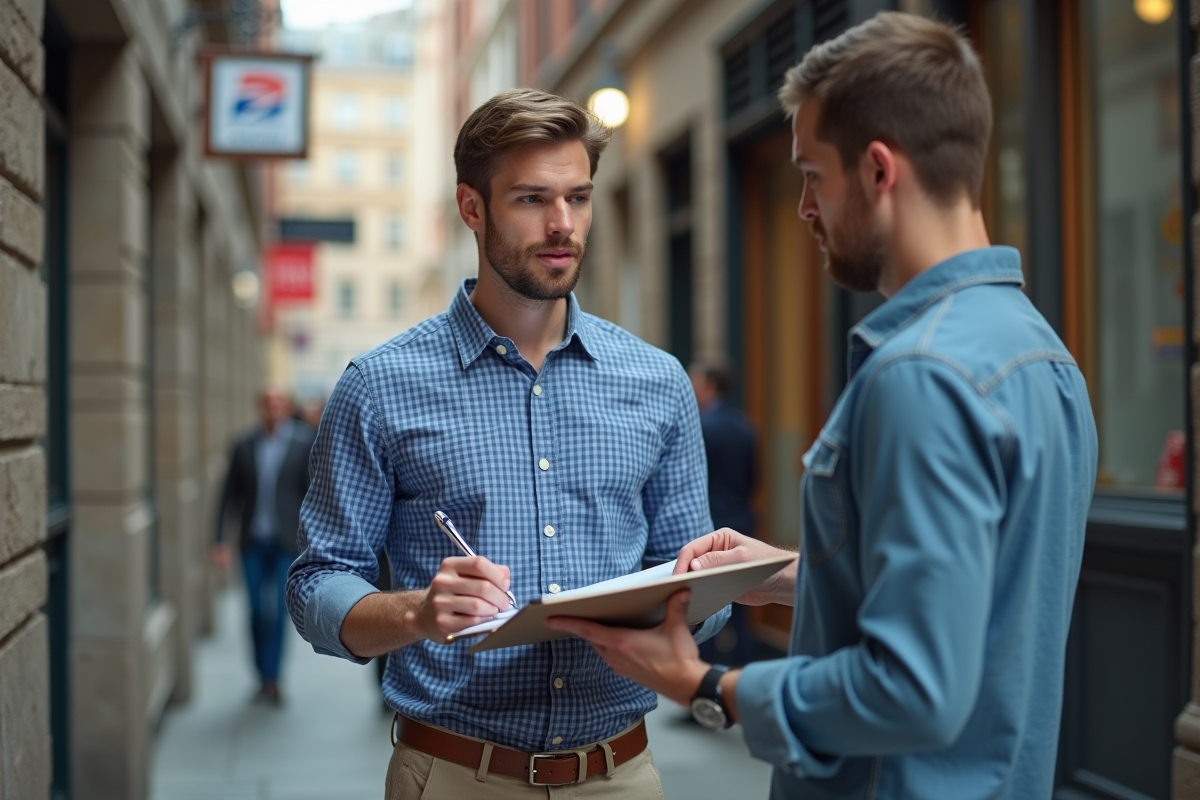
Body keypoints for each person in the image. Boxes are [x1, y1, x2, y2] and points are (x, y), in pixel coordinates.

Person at [546, 12, 1098, 800]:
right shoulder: (1042, 355)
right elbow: (971, 602)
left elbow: (913, 687)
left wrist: (703, 685)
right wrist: (781, 577)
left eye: (812, 175)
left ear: (879, 171)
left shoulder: (920, 376)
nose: (805, 207)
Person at [285, 88, 726, 799]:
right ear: (472, 208)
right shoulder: (380, 385)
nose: (563, 225)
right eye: (531, 199)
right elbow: (316, 585)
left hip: (621, 775)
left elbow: (701, 588)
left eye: (578, 198)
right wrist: (417, 613)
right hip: (454, 774)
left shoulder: (659, 381)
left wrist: (690, 598)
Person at [214, 381, 317, 705]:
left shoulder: (304, 443)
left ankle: (273, 679)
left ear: (286, 406)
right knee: (258, 608)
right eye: (267, 402)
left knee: (280, 612)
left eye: (278, 402)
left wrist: (314, 540)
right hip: (252, 542)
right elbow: (228, 495)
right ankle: (261, 673)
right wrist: (219, 540)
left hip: (287, 542)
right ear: (260, 407)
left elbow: (313, 495)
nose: (273, 407)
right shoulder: (243, 445)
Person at [688, 357, 757, 667]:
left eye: (695, 381)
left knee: (707, 602)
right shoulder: (745, 425)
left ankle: (705, 679)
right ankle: (741, 669)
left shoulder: (703, 428)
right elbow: (755, 479)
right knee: (744, 605)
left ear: (708, 385)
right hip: (742, 520)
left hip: (712, 527)